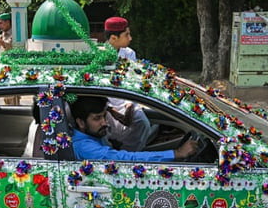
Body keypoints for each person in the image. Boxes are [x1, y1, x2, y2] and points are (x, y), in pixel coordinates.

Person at [69, 96, 198, 162]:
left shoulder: (93, 136)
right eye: (97, 118)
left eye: (104, 116)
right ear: (81, 122)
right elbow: (125, 159)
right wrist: (176, 153)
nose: (105, 122)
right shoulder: (85, 147)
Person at [103, 16, 156, 150]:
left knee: (142, 122)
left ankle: (130, 156)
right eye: (127, 35)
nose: (130, 38)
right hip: (106, 104)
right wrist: (110, 109)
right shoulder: (98, 55)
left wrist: (129, 104)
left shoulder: (129, 54)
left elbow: (132, 80)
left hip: (126, 99)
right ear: (114, 38)